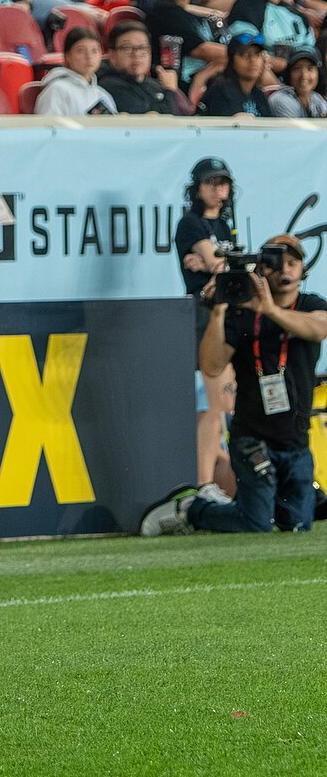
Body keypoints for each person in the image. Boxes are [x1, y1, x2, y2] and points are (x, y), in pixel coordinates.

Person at [143, 234, 326, 536]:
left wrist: (271, 311)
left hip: (295, 439)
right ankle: (193, 509)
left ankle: (261, 505)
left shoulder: (310, 304)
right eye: (276, 264)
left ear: (303, 270)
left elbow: (319, 329)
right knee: (255, 525)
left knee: (297, 525)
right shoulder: (240, 315)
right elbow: (212, 367)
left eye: (293, 263)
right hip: (252, 436)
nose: (285, 271)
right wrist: (218, 311)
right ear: (261, 271)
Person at [172, 158, 238, 496]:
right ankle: (203, 484)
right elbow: (217, 263)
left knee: (223, 406)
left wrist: (218, 264)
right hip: (203, 314)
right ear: (197, 187)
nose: (218, 189)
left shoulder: (225, 229)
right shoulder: (191, 224)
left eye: (223, 182)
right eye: (211, 182)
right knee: (214, 402)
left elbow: (221, 264)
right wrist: (220, 265)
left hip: (227, 315)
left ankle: (213, 478)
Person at [98, 18, 182, 112]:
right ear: (112, 55)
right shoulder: (110, 86)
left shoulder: (153, 83)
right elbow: (151, 123)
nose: (136, 54)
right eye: (127, 48)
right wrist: (170, 91)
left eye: (142, 48)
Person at [34, 26, 119, 113]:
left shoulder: (103, 95)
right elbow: (49, 125)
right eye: (80, 51)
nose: (89, 57)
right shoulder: (56, 90)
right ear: (67, 56)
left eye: (94, 50)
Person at [194, 29, 273, 115]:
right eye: (245, 55)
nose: (253, 60)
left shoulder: (258, 93)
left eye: (258, 55)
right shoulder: (220, 90)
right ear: (232, 61)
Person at [268, 46, 327, 117]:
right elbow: (298, 127)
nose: (304, 76)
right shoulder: (280, 99)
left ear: (318, 73)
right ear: (289, 74)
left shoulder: (316, 98)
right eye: (297, 68)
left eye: (310, 69)